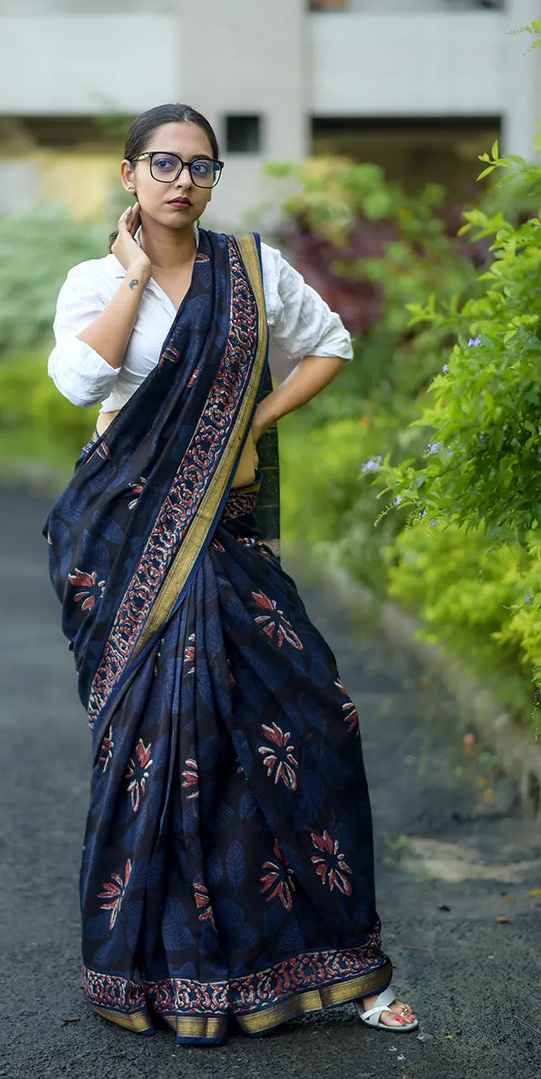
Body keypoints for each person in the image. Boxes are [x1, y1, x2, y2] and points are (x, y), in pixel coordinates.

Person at [43, 103, 417, 1045]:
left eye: (200, 167)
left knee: (313, 718)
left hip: (231, 536)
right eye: (163, 163)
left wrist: (251, 422)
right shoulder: (94, 280)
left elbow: (330, 342)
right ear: (129, 175)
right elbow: (79, 385)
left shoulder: (252, 273)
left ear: (214, 180)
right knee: (162, 753)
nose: (182, 180)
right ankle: (162, 967)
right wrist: (132, 280)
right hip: (131, 545)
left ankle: (335, 961)